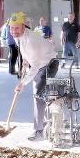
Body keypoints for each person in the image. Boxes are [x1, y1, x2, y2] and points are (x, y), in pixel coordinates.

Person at [9, 11, 59, 141]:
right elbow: (25, 52)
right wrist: (25, 61)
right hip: (39, 63)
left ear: (23, 27)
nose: (14, 31)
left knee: (38, 95)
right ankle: (45, 119)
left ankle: (39, 131)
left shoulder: (31, 40)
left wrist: (22, 83)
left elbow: (36, 67)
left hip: (49, 64)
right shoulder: (18, 36)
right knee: (39, 94)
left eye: (17, 28)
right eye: (12, 28)